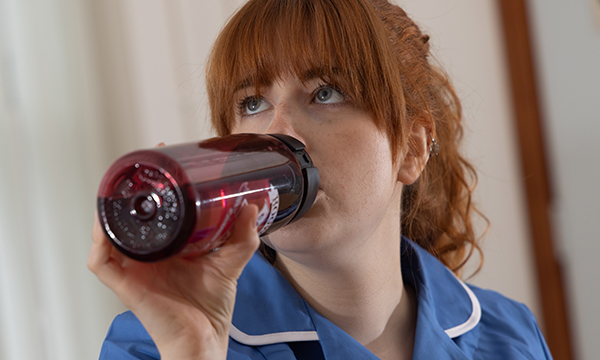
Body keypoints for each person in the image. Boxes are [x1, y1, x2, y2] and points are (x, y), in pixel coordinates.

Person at [88, 0, 553, 359]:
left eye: (325, 93)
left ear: (411, 148)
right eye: (252, 103)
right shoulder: (154, 344)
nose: (278, 131)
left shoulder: (509, 333)